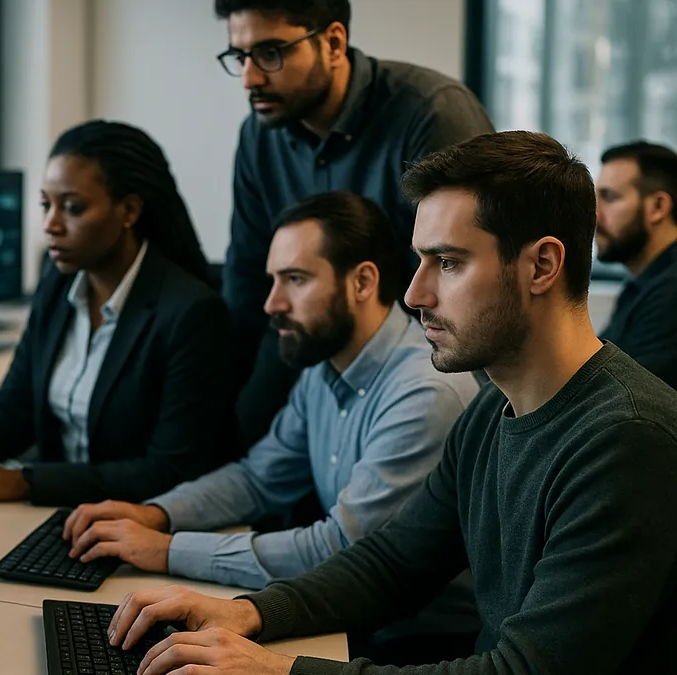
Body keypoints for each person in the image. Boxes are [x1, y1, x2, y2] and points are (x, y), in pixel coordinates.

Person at [104, 130, 677, 675]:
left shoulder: (626, 439)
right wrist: (250, 612)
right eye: (421, 260)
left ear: (542, 266)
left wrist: (278, 669)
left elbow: (525, 671)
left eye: (448, 263)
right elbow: (392, 564)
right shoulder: (492, 410)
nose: (414, 293)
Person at [61, 191, 480, 659]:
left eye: (295, 280)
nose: (271, 303)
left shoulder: (423, 393)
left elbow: (338, 547)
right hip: (345, 620)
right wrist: (154, 514)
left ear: (362, 281)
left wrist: (164, 549)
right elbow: (258, 479)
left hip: (417, 644)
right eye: (272, 281)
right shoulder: (325, 364)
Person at [0, 120, 237, 507]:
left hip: (137, 523)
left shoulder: (191, 313)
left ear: (129, 211)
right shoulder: (57, 285)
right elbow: (17, 400)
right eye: (46, 204)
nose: (50, 225)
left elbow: (169, 471)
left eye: (72, 208)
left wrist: (24, 482)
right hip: (57, 517)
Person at [214, 0, 494, 448]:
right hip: (314, 346)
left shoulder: (430, 113)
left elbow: (462, 272)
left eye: (271, 53)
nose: (250, 78)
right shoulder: (258, 134)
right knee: (234, 435)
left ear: (333, 42)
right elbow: (247, 274)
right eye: (240, 56)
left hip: (418, 356)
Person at [595, 141, 677, 389]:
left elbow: (621, 393)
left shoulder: (671, 292)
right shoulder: (643, 282)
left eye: (608, 197)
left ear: (658, 207)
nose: (594, 213)